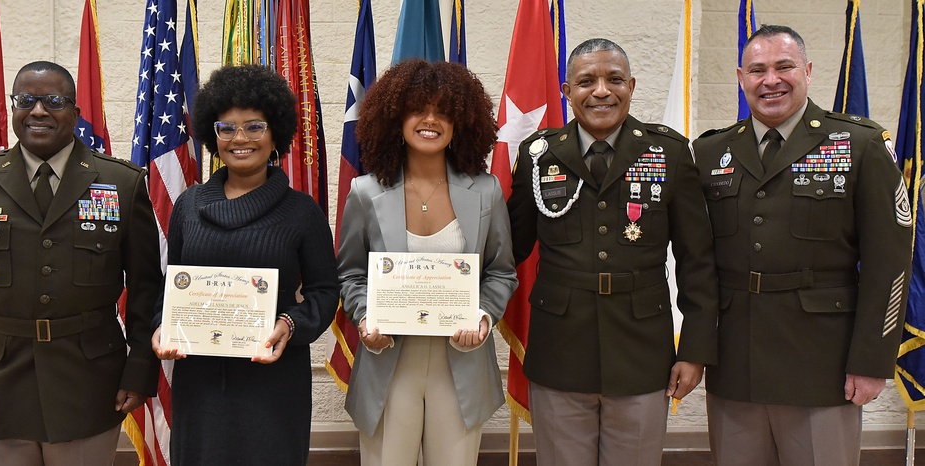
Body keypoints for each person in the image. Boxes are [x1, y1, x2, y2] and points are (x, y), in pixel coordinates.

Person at [692, 25, 912, 466]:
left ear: (808, 71)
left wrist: (872, 360)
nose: (770, 79)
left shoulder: (860, 144)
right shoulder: (710, 151)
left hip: (822, 362)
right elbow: (697, 262)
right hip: (735, 361)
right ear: (741, 77)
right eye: (757, 70)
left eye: (784, 66)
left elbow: (889, 263)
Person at [0, 61, 163, 465]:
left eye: (54, 101)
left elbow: (147, 289)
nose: (39, 111)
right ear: (13, 109)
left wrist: (139, 369)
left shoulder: (121, 184)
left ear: (75, 114)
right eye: (27, 100)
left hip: (90, 380)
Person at [507, 39, 719, 466]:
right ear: (567, 91)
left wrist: (695, 350)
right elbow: (509, 248)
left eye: (614, 79)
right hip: (559, 351)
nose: (601, 90)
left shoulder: (669, 153)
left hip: (641, 353)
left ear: (632, 85)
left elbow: (698, 261)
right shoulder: (538, 154)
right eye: (586, 81)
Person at [150, 64, 339, 466]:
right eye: (227, 128)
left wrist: (290, 325)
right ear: (211, 134)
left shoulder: (301, 212)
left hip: (273, 382)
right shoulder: (190, 205)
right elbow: (171, 285)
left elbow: (325, 292)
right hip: (199, 383)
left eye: (254, 127)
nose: (240, 139)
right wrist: (160, 326)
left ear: (276, 135)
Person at [337, 59, 518, 466]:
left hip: (462, 362)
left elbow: (501, 272)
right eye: (418, 108)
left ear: (460, 123)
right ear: (395, 118)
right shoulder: (365, 193)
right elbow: (350, 273)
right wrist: (366, 319)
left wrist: (484, 317)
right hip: (387, 360)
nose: (430, 120)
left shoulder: (486, 192)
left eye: (443, 111)